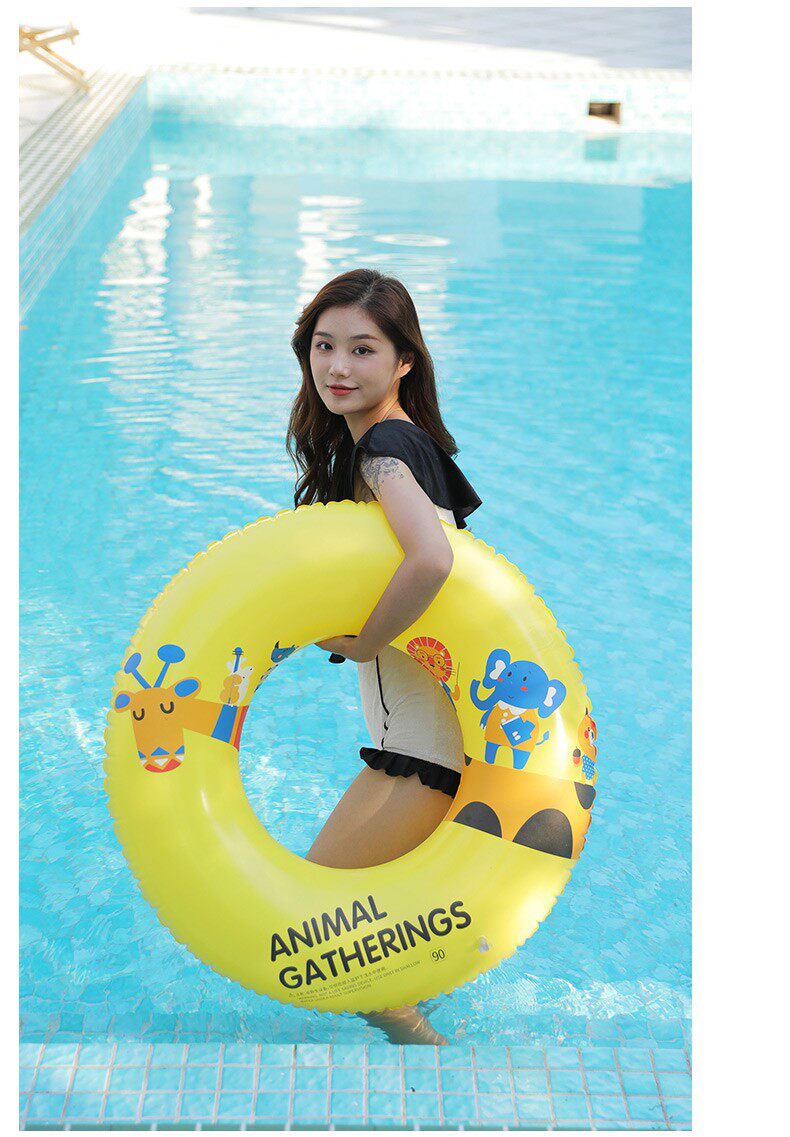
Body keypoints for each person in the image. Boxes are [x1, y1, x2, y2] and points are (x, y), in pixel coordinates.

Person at [286, 268, 482, 1045]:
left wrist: (364, 640)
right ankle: (430, 1060)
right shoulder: (399, 442)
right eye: (324, 345)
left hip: (426, 756)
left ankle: (439, 1068)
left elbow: (431, 559)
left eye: (363, 349)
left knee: (316, 923)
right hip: (415, 749)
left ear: (404, 360)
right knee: (357, 929)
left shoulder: (385, 450)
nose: (337, 366)